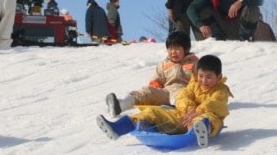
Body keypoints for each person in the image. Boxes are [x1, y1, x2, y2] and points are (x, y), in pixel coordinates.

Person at [96, 54, 232, 147]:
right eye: (201, 76)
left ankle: (199, 130)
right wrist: (189, 108)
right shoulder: (194, 84)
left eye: (209, 77)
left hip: (206, 118)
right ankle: (118, 128)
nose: (204, 80)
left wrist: (198, 111)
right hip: (184, 116)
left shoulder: (221, 90)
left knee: (209, 118)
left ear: (218, 78)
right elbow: (183, 96)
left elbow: (215, 102)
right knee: (151, 111)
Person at [104, 31, 199, 117]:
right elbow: (156, 80)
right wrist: (155, 90)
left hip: (185, 92)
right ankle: (121, 104)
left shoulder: (195, 63)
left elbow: (202, 80)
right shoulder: (164, 65)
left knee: (182, 97)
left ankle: (177, 110)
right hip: (166, 93)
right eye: (170, 49)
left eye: (177, 49)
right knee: (148, 91)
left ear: (186, 49)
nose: (173, 52)